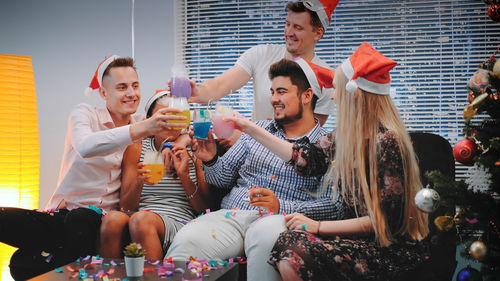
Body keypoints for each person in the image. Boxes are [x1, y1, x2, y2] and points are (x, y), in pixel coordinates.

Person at [227, 42, 430, 281]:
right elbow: (304, 159)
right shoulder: (343, 139)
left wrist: (319, 226)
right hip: (355, 240)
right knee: (287, 241)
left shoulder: (387, 142)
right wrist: (249, 128)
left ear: (355, 95)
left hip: (388, 248)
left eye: (336, 89)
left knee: (295, 253)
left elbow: (385, 223)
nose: (333, 96)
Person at [0, 56, 186, 280]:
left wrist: (180, 140)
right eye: (121, 87)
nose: (131, 93)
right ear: (103, 93)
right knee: (10, 231)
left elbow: (181, 128)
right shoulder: (85, 113)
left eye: (135, 86)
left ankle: (56, 260)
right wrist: (141, 128)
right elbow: (86, 146)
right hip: (61, 216)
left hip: (99, 220)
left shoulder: (142, 121)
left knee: (28, 259)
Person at [165, 58, 343, 281]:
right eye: (272, 92)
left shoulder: (326, 144)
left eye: (281, 91)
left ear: (306, 96)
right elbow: (222, 177)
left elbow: (334, 206)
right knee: (187, 240)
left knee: (266, 235)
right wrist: (210, 159)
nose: (274, 99)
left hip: (280, 221)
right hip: (233, 216)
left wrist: (281, 206)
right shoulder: (258, 130)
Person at [186, 0, 340, 149]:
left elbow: (306, 137)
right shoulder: (261, 54)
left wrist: (248, 137)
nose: (289, 32)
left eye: (298, 27)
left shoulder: (327, 79)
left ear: (318, 33)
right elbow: (220, 85)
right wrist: (197, 92)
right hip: (251, 156)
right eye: (287, 24)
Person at [99, 90, 212, 261]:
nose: (169, 123)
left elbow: (204, 208)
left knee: (142, 220)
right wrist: (138, 181)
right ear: (149, 120)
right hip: (138, 216)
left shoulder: (196, 149)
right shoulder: (137, 149)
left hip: (177, 220)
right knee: (112, 219)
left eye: (175, 117)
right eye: (163, 117)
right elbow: (126, 207)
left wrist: (183, 175)